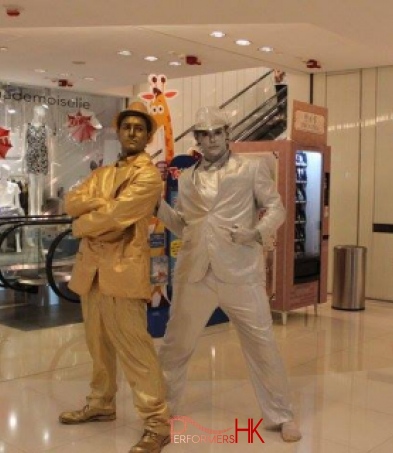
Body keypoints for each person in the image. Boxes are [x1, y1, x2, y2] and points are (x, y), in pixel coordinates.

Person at [156, 106, 302, 443]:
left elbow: (277, 207)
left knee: (262, 344)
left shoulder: (249, 169)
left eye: (217, 132)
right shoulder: (188, 178)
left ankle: (282, 415)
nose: (211, 140)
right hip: (195, 272)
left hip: (240, 270)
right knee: (176, 344)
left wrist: (257, 232)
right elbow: (184, 225)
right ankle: (163, 407)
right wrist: (158, 207)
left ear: (227, 134)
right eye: (203, 134)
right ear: (196, 139)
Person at [59, 101, 171, 453]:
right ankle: (101, 403)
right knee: (98, 344)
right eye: (127, 128)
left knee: (136, 349)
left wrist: (82, 224)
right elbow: (71, 201)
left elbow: (114, 219)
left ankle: (156, 422)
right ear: (119, 132)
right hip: (91, 270)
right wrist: (98, 205)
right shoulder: (104, 173)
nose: (132, 133)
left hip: (124, 269)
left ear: (149, 136)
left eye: (140, 128)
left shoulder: (149, 176)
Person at [25, 105, 49, 215]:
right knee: (33, 185)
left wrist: (51, 161)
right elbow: (23, 145)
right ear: (35, 112)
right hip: (31, 157)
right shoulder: (27, 126)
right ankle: (32, 211)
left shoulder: (46, 128)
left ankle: (39, 210)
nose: (41, 117)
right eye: (40, 114)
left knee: (40, 186)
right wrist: (21, 159)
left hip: (42, 157)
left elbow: (48, 145)